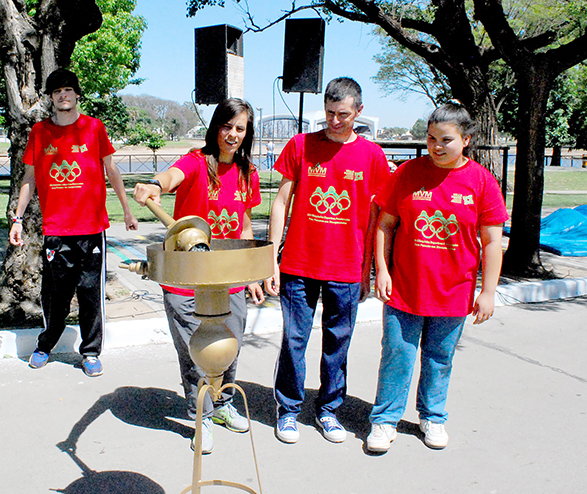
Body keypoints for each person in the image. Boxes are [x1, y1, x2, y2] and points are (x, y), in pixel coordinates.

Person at [366, 103, 508, 453]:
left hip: (454, 292)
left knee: (439, 357)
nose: (436, 146)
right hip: (405, 289)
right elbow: (385, 224)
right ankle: (385, 420)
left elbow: (492, 241)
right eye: (431, 138)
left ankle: (433, 416)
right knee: (397, 354)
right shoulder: (407, 173)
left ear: (466, 140)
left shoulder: (482, 182)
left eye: (445, 139)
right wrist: (381, 270)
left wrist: (488, 292)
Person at [133, 98, 264, 455]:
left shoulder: (247, 172)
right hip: (186, 279)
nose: (233, 135)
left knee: (229, 346)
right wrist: (153, 185)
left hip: (229, 279)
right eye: (227, 126)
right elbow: (170, 177)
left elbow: (246, 222)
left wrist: (251, 272)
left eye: (240, 128)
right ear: (216, 127)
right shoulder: (195, 162)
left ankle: (222, 406)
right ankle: (200, 415)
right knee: (195, 350)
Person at [265, 77, 390, 444]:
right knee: (294, 340)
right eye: (330, 113)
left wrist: (369, 267)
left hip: (347, 268)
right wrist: (272, 257)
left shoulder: (372, 156)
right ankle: (288, 409)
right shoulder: (301, 146)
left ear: (359, 112)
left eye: (344, 115)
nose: (335, 121)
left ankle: (328, 409)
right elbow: (280, 203)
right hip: (299, 265)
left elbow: (376, 216)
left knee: (338, 344)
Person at [9, 68, 138, 378]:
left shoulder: (94, 129)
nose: (63, 95)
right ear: (50, 98)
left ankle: (91, 352)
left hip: (92, 229)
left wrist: (128, 210)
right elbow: (28, 178)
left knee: (91, 295)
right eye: (56, 91)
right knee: (56, 297)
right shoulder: (40, 133)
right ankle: (45, 345)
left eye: (68, 89)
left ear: (77, 94)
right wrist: (17, 218)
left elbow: (112, 171)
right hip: (56, 230)